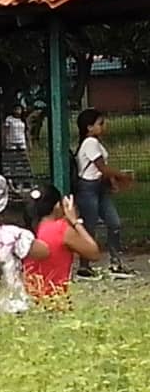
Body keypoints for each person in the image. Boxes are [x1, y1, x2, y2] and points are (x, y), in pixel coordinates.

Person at [73, 108, 136, 279]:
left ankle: (114, 262)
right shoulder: (90, 143)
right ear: (89, 127)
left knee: (113, 222)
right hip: (88, 188)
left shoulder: (95, 142)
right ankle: (85, 266)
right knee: (90, 226)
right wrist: (123, 176)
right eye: (100, 124)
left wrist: (112, 181)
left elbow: (101, 169)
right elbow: (102, 167)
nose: (103, 127)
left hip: (98, 187)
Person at [23, 185, 101, 300]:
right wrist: (74, 221)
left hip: (28, 297)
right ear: (57, 206)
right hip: (55, 297)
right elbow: (94, 253)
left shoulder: (26, 231)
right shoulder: (61, 229)